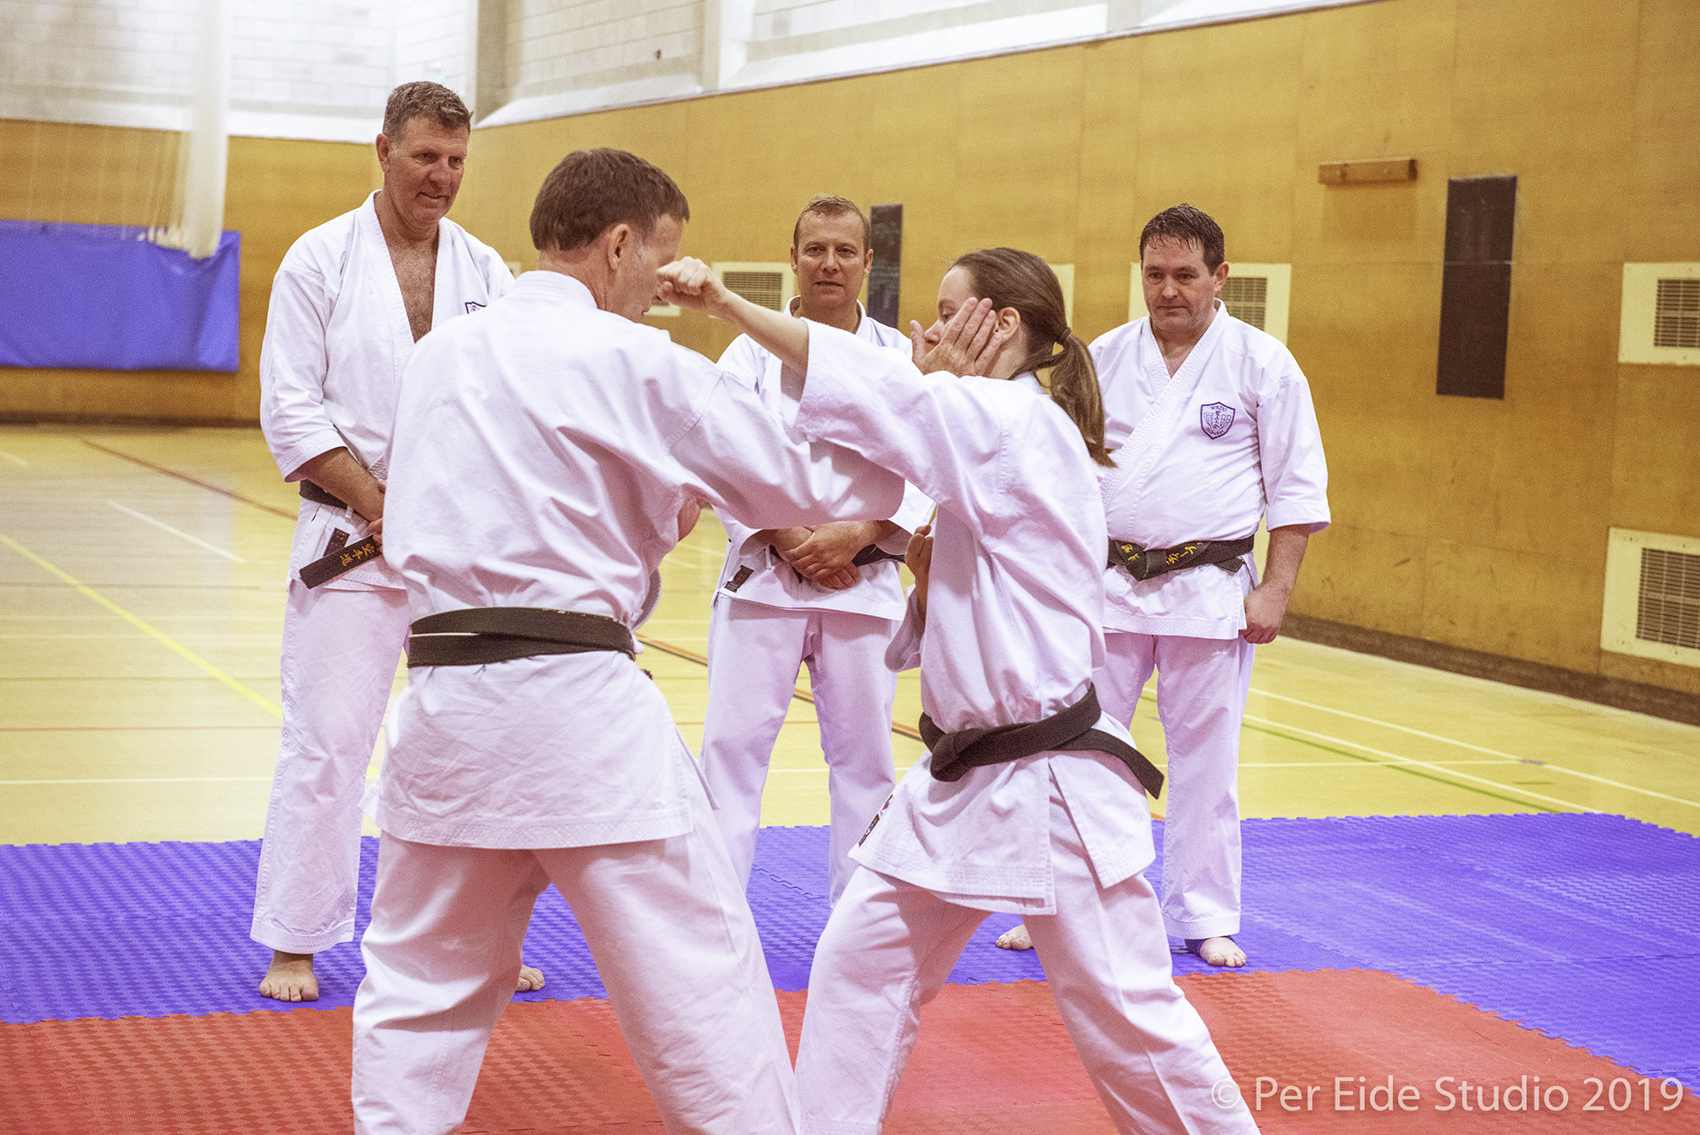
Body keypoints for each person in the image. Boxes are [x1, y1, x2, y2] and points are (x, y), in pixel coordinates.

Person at [349, 149, 905, 1135]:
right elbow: (807, 485)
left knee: (418, 988)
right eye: (659, 257)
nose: (659, 284)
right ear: (617, 245)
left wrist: (649, 515)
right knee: (701, 981)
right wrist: (923, 398)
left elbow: (480, 503)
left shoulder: (438, 353)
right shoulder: (636, 358)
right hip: (578, 709)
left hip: (441, 706)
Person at [659, 247, 1259, 1134]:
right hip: (962, 779)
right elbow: (944, 610)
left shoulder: (1009, 417)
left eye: (947, 313)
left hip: (1047, 780)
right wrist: (926, 570)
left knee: (1130, 1019)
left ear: (1001, 324)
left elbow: (880, 393)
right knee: (860, 963)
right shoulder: (995, 428)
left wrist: (728, 306)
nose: (929, 332)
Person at [254, 80, 542, 1001]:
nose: (441, 176)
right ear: (383, 150)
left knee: (469, 740)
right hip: (350, 537)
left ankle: (477, 936)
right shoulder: (319, 259)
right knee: (329, 740)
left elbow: (512, 400)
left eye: (456, 160)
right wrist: (383, 504)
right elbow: (290, 409)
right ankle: (297, 939)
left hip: (454, 545)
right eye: (425, 156)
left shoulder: (486, 271)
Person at [1000, 204, 1329, 967]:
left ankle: (1204, 912)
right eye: (1155, 274)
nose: (1169, 290)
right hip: (1107, 584)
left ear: (1220, 276)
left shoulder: (1263, 364)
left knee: (1206, 762)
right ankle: (1050, 901)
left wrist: (1275, 591)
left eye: (1185, 274)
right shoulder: (1104, 357)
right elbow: (1058, 471)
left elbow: (1297, 490)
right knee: (1077, 749)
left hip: (1210, 589)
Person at [701, 194, 932, 904]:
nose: (829, 263)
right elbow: (717, 453)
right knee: (731, 755)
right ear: (793, 258)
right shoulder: (747, 351)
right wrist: (783, 532)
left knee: (866, 762)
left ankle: (856, 920)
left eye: (844, 251)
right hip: (765, 575)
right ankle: (716, 923)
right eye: (815, 250)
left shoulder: (899, 357)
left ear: (868, 261)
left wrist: (861, 533)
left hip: (862, 583)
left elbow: (929, 462)